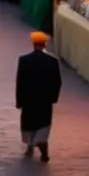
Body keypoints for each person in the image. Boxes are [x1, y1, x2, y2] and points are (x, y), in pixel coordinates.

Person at [16, 31, 62, 163]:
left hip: (28, 100)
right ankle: (44, 154)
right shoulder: (53, 61)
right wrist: (53, 98)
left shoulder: (24, 60)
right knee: (43, 127)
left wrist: (19, 101)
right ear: (45, 44)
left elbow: (20, 82)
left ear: (33, 44)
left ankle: (30, 147)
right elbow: (57, 82)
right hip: (44, 100)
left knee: (29, 125)